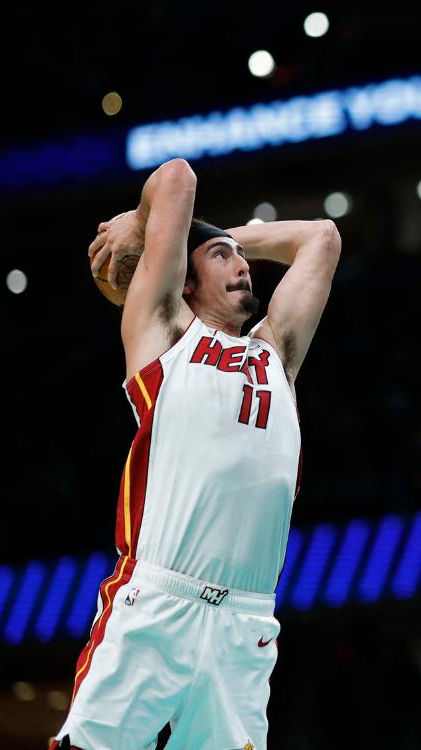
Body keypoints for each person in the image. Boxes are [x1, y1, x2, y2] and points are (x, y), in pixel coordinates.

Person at [52, 158, 340, 750]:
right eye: (221, 258)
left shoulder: (275, 354)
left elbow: (321, 237)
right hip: (158, 600)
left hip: (247, 622)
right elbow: (178, 176)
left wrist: (222, 235)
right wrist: (146, 223)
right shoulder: (163, 336)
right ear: (183, 279)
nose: (241, 264)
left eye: (242, 257)